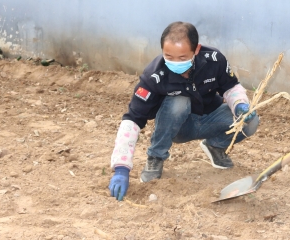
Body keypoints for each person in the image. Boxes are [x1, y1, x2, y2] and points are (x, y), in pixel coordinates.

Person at [107, 21, 259, 201]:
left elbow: (231, 87)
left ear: (196, 50)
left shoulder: (214, 60)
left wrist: (240, 105)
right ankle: (156, 157)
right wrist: (121, 168)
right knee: (179, 101)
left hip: (210, 118)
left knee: (251, 121)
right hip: (178, 127)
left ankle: (215, 146)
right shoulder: (154, 76)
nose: (174, 62)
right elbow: (132, 119)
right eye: (168, 56)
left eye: (182, 57)